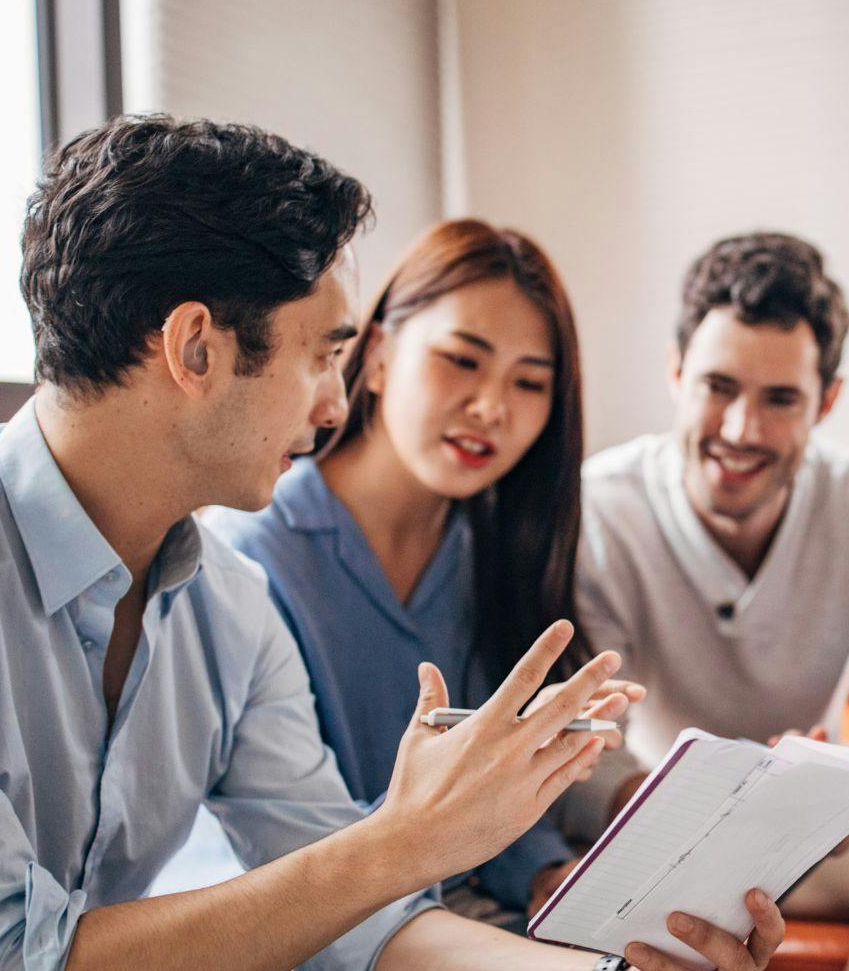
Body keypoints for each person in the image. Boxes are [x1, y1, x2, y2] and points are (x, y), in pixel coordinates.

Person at [0, 115, 782, 971]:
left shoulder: (225, 607)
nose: (335, 405)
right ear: (195, 350)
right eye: (321, 356)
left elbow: (362, 918)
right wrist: (406, 840)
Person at [208, 218, 632, 927]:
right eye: (462, 361)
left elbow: (494, 808)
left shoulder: (494, 557)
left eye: (530, 383)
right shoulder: (253, 552)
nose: (492, 408)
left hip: (467, 918)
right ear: (376, 355)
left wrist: (551, 876)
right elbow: (283, 849)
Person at [576, 232, 849, 971]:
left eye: (781, 399)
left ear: (827, 401)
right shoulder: (598, 508)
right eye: (718, 387)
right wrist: (679, 820)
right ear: (676, 371)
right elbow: (587, 742)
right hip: (649, 828)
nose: (742, 431)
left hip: (805, 838)